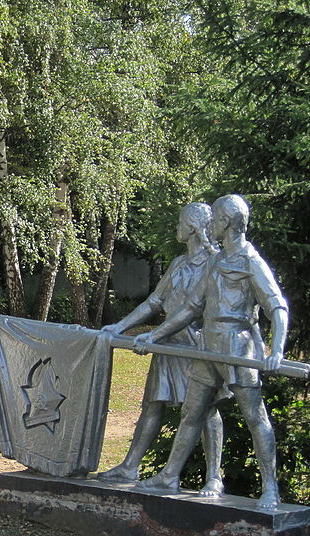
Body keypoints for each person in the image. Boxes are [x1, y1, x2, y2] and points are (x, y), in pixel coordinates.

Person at [134, 194, 288, 510]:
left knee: (254, 416)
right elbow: (192, 307)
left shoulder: (250, 262)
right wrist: (154, 334)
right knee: (192, 411)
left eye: (215, 219)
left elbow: (277, 306)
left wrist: (277, 350)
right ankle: (169, 476)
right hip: (208, 347)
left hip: (237, 346)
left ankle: (270, 489)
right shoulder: (216, 261)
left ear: (227, 223)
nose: (211, 226)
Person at [98, 202, 226, 497]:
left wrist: (155, 335)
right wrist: (119, 327)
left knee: (206, 411)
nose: (176, 228)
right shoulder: (179, 263)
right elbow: (155, 302)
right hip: (168, 344)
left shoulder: (215, 263)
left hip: (197, 346)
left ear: (193, 227)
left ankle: (214, 477)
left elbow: (200, 309)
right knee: (152, 404)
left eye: (180, 223)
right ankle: (130, 465)